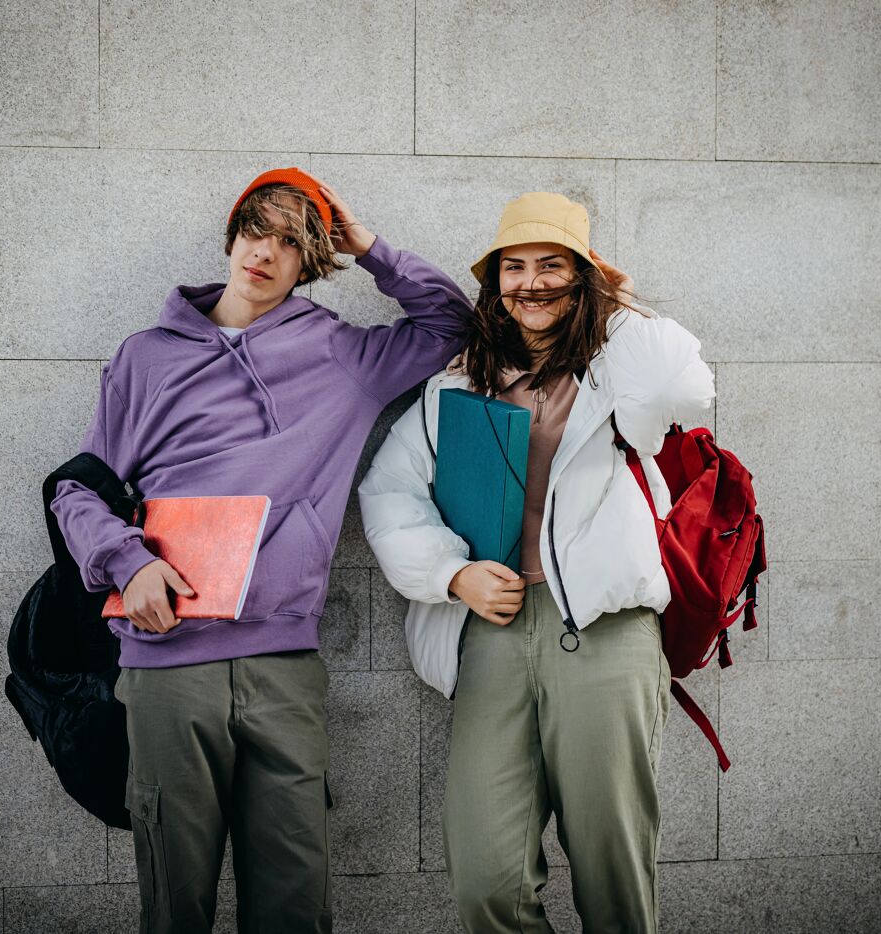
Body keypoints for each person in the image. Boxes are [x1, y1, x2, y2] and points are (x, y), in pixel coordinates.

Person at [50, 167, 472, 934]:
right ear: (233, 233)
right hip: (167, 660)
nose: (267, 253)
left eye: (291, 242)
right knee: (175, 906)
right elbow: (79, 490)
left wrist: (367, 245)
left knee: (294, 906)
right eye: (257, 230)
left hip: (284, 666)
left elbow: (450, 325)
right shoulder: (145, 357)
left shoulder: (340, 355)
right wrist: (127, 560)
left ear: (311, 264)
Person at [358, 192, 714, 933]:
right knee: (487, 879)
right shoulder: (455, 388)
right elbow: (389, 494)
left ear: (584, 277)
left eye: (553, 265)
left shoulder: (617, 375)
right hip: (489, 632)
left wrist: (618, 303)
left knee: (613, 871)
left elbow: (683, 385)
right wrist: (451, 574)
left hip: (604, 632)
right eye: (514, 268)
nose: (531, 283)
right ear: (494, 287)